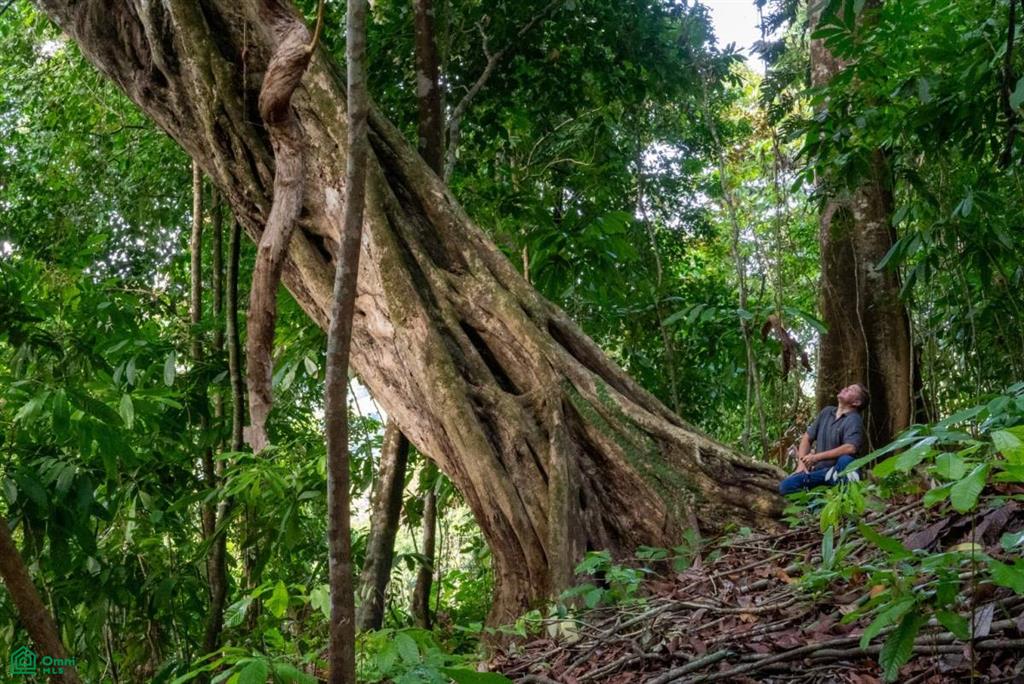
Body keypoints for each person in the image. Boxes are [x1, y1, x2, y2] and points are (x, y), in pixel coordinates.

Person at [778, 383, 868, 495]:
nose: (845, 388)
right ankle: (816, 504)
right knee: (786, 487)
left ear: (856, 402)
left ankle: (844, 501)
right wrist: (802, 464)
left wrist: (816, 457)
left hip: (839, 472)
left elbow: (850, 448)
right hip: (820, 474)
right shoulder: (827, 412)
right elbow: (807, 437)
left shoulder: (854, 419)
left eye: (851, 390)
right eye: (847, 387)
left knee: (846, 460)